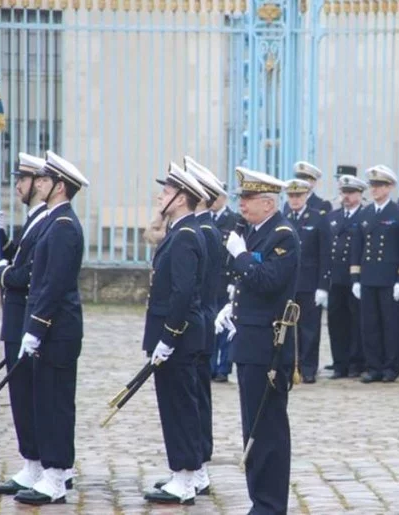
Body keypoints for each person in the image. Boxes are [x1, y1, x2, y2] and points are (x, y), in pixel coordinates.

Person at [215, 167, 299, 514]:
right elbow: (247, 284)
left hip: (269, 345)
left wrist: (242, 255)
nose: (242, 206)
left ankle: (270, 504)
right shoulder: (254, 231)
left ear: (268, 202)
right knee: (252, 424)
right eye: (241, 199)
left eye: (247, 199)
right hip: (249, 340)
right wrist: (231, 305)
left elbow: (266, 280)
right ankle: (259, 501)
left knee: (268, 429)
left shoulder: (282, 235)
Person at [13, 151, 89, 506]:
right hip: (53, 328)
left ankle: (57, 476)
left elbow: (53, 284)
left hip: (58, 330)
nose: (38, 185)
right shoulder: (54, 222)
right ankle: (50, 472)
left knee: (56, 402)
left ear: (60, 187)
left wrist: (37, 327)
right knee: (46, 400)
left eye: (44, 180)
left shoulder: (63, 227)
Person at [0, 153, 56, 496]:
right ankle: (31, 463)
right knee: (21, 398)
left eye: (25, 180)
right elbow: (17, 255)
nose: (18, 186)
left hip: (28, 317)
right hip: (16, 319)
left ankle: (41, 464)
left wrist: (3, 274)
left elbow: (29, 275)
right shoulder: (34, 220)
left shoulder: (48, 222)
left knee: (30, 397)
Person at [142, 163, 209, 505]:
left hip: (178, 336)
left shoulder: (184, 236)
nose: (161, 196)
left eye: (167, 192)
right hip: (178, 334)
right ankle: (186, 472)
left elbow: (183, 293)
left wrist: (167, 338)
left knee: (178, 406)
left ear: (182, 198)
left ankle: (184, 478)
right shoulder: (182, 231)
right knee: (179, 404)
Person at [184, 156, 229, 494]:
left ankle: (198, 465)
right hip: (200, 321)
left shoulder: (204, 230)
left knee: (195, 396)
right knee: (195, 394)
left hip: (198, 323)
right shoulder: (202, 227)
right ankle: (197, 464)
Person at [350, 165, 399, 383]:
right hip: (368, 277)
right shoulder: (365, 213)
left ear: (390, 187)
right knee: (370, 325)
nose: (374, 190)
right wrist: (356, 279)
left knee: (390, 324)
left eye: (379, 186)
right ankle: (373, 365)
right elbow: (357, 248)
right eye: (372, 185)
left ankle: (391, 366)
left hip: (389, 278)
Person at [284, 178, 330, 383]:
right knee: (288, 328)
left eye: (298, 196)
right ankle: (290, 366)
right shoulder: (284, 218)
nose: (294, 200)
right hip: (288, 283)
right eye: (291, 196)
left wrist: (323, 286)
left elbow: (325, 255)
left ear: (306, 196)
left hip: (310, 283)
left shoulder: (317, 218)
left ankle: (309, 367)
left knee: (309, 328)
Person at [325, 175, 367, 378]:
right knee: (336, 322)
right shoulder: (333, 217)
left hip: (355, 277)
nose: (347, 197)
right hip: (336, 277)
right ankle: (339, 362)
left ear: (360, 194)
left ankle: (356, 362)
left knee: (357, 321)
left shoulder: (364, 216)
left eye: (351, 193)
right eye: (344, 192)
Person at [210, 185, 240, 382]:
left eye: (217, 196)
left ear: (224, 197)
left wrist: (234, 280)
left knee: (227, 325)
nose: (213, 200)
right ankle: (210, 366)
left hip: (226, 280)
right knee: (211, 325)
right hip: (210, 281)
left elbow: (239, 252)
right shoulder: (204, 219)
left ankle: (224, 368)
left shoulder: (235, 220)